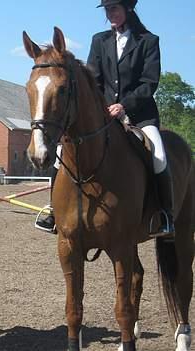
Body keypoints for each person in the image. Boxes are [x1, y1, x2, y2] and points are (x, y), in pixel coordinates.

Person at [87, 0, 174, 238]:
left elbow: (150, 83)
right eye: (107, 9)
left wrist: (123, 105)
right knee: (65, 151)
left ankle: (165, 215)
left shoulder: (148, 41)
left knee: (158, 154)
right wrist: (103, 107)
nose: (110, 13)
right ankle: (54, 211)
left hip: (139, 115)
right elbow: (93, 80)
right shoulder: (99, 40)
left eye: (114, 8)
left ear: (127, 9)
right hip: (104, 116)